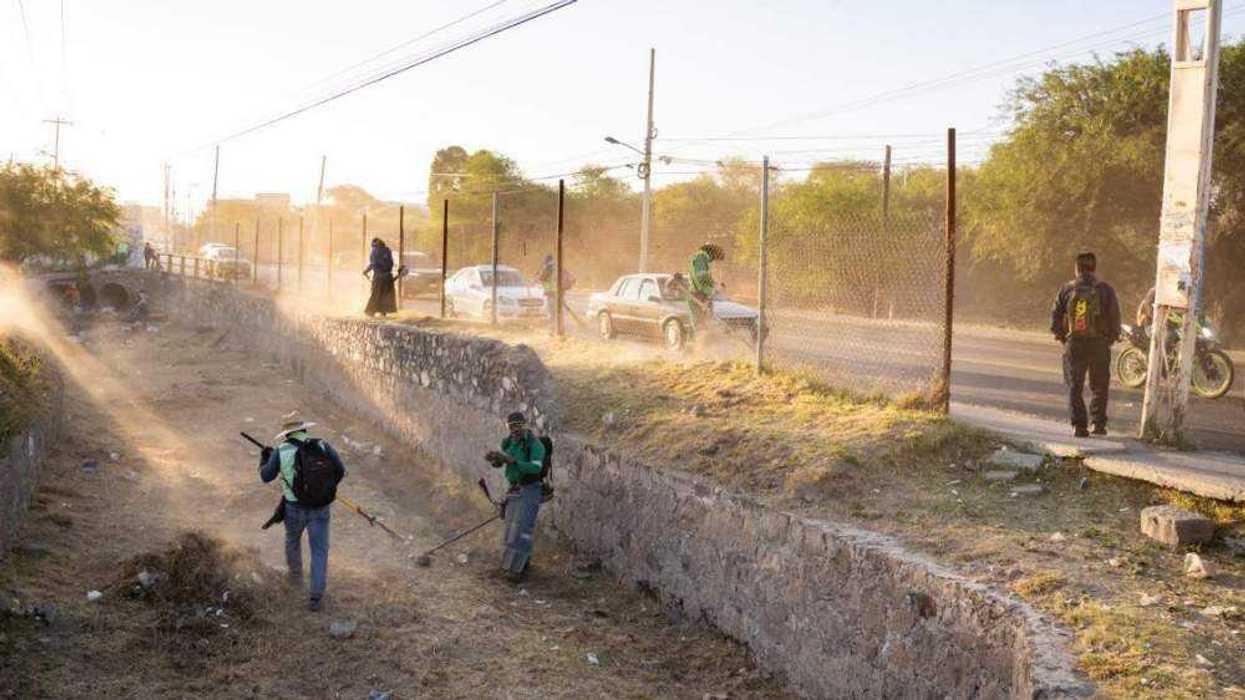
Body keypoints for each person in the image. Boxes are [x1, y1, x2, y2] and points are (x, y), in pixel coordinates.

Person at [258, 416, 347, 611]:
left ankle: (296, 580)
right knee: (319, 550)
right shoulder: (322, 446)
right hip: (321, 508)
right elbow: (340, 470)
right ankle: (316, 597)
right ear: (304, 430)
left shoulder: (281, 451)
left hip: (294, 508)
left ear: (287, 433)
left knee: (292, 541)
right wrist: (325, 490)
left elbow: (266, 476)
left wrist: (264, 458)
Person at [1050, 251, 1122, 437]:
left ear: (1077, 269)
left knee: (1074, 385)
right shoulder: (1106, 290)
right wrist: (1110, 338)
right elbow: (1114, 317)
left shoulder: (1066, 289)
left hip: (1074, 344)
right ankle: (1098, 424)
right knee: (1100, 385)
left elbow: (1055, 317)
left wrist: (1063, 337)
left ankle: (1079, 426)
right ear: (1094, 268)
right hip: (1099, 343)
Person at [485, 412, 545, 582]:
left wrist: (512, 461)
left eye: (518, 425)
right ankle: (511, 566)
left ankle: (520, 571)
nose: (514, 429)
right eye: (511, 426)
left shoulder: (535, 445)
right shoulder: (510, 442)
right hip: (514, 490)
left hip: (530, 490)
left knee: (524, 530)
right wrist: (496, 460)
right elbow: (504, 462)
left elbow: (535, 468)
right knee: (511, 529)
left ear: (525, 425)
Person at [536, 254, 581, 327]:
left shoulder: (548, 268)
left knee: (552, 314)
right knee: (560, 313)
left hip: (551, 294)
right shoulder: (560, 267)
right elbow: (573, 278)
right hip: (560, 294)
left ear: (546, 261)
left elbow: (541, 278)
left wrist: (540, 271)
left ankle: (553, 330)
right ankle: (561, 328)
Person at [688, 243, 724, 333]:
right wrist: (712, 288)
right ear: (711, 252)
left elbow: (705, 278)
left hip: (700, 294)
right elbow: (701, 278)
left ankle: (698, 343)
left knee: (703, 323)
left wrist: (714, 285)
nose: (714, 260)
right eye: (715, 256)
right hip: (699, 295)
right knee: (702, 324)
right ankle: (701, 344)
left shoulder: (702, 259)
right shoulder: (701, 258)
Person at [363, 238, 397, 318]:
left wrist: (366, 271)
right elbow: (390, 263)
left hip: (379, 277)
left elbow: (373, 264)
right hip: (388, 277)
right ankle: (383, 312)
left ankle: (370, 311)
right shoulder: (387, 250)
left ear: (374, 244)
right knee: (385, 295)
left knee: (376, 294)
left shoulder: (375, 251)